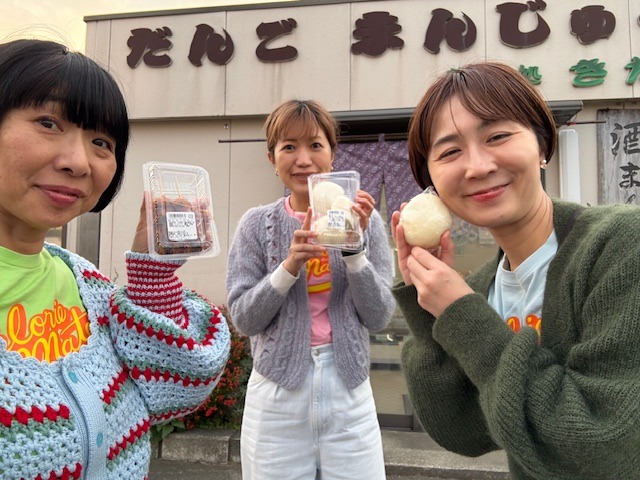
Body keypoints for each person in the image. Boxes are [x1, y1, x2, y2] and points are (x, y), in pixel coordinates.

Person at [391, 61, 640, 479]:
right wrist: (430, 309)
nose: (477, 166)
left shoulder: (620, 245)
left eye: (498, 136)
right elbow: (461, 430)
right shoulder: (478, 290)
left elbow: (606, 445)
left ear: (542, 145)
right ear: (431, 183)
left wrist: (462, 314)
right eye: (450, 152)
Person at [0, 39, 230, 480]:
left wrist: (152, 274)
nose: (79, 162)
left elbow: (177, 388)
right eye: (48, 123)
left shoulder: (86, 283)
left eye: (101, 142)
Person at [226, 99, 396, 479]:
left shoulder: (365, 221)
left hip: (348, 385)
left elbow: (380, 315)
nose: (303, 159)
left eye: (315, 145)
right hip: (277, 391)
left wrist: (354, 251)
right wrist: (288, 268)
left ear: (332, 155)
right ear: (272, 158)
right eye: (289, 147)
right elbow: (244, 320)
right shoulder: (256, 225)